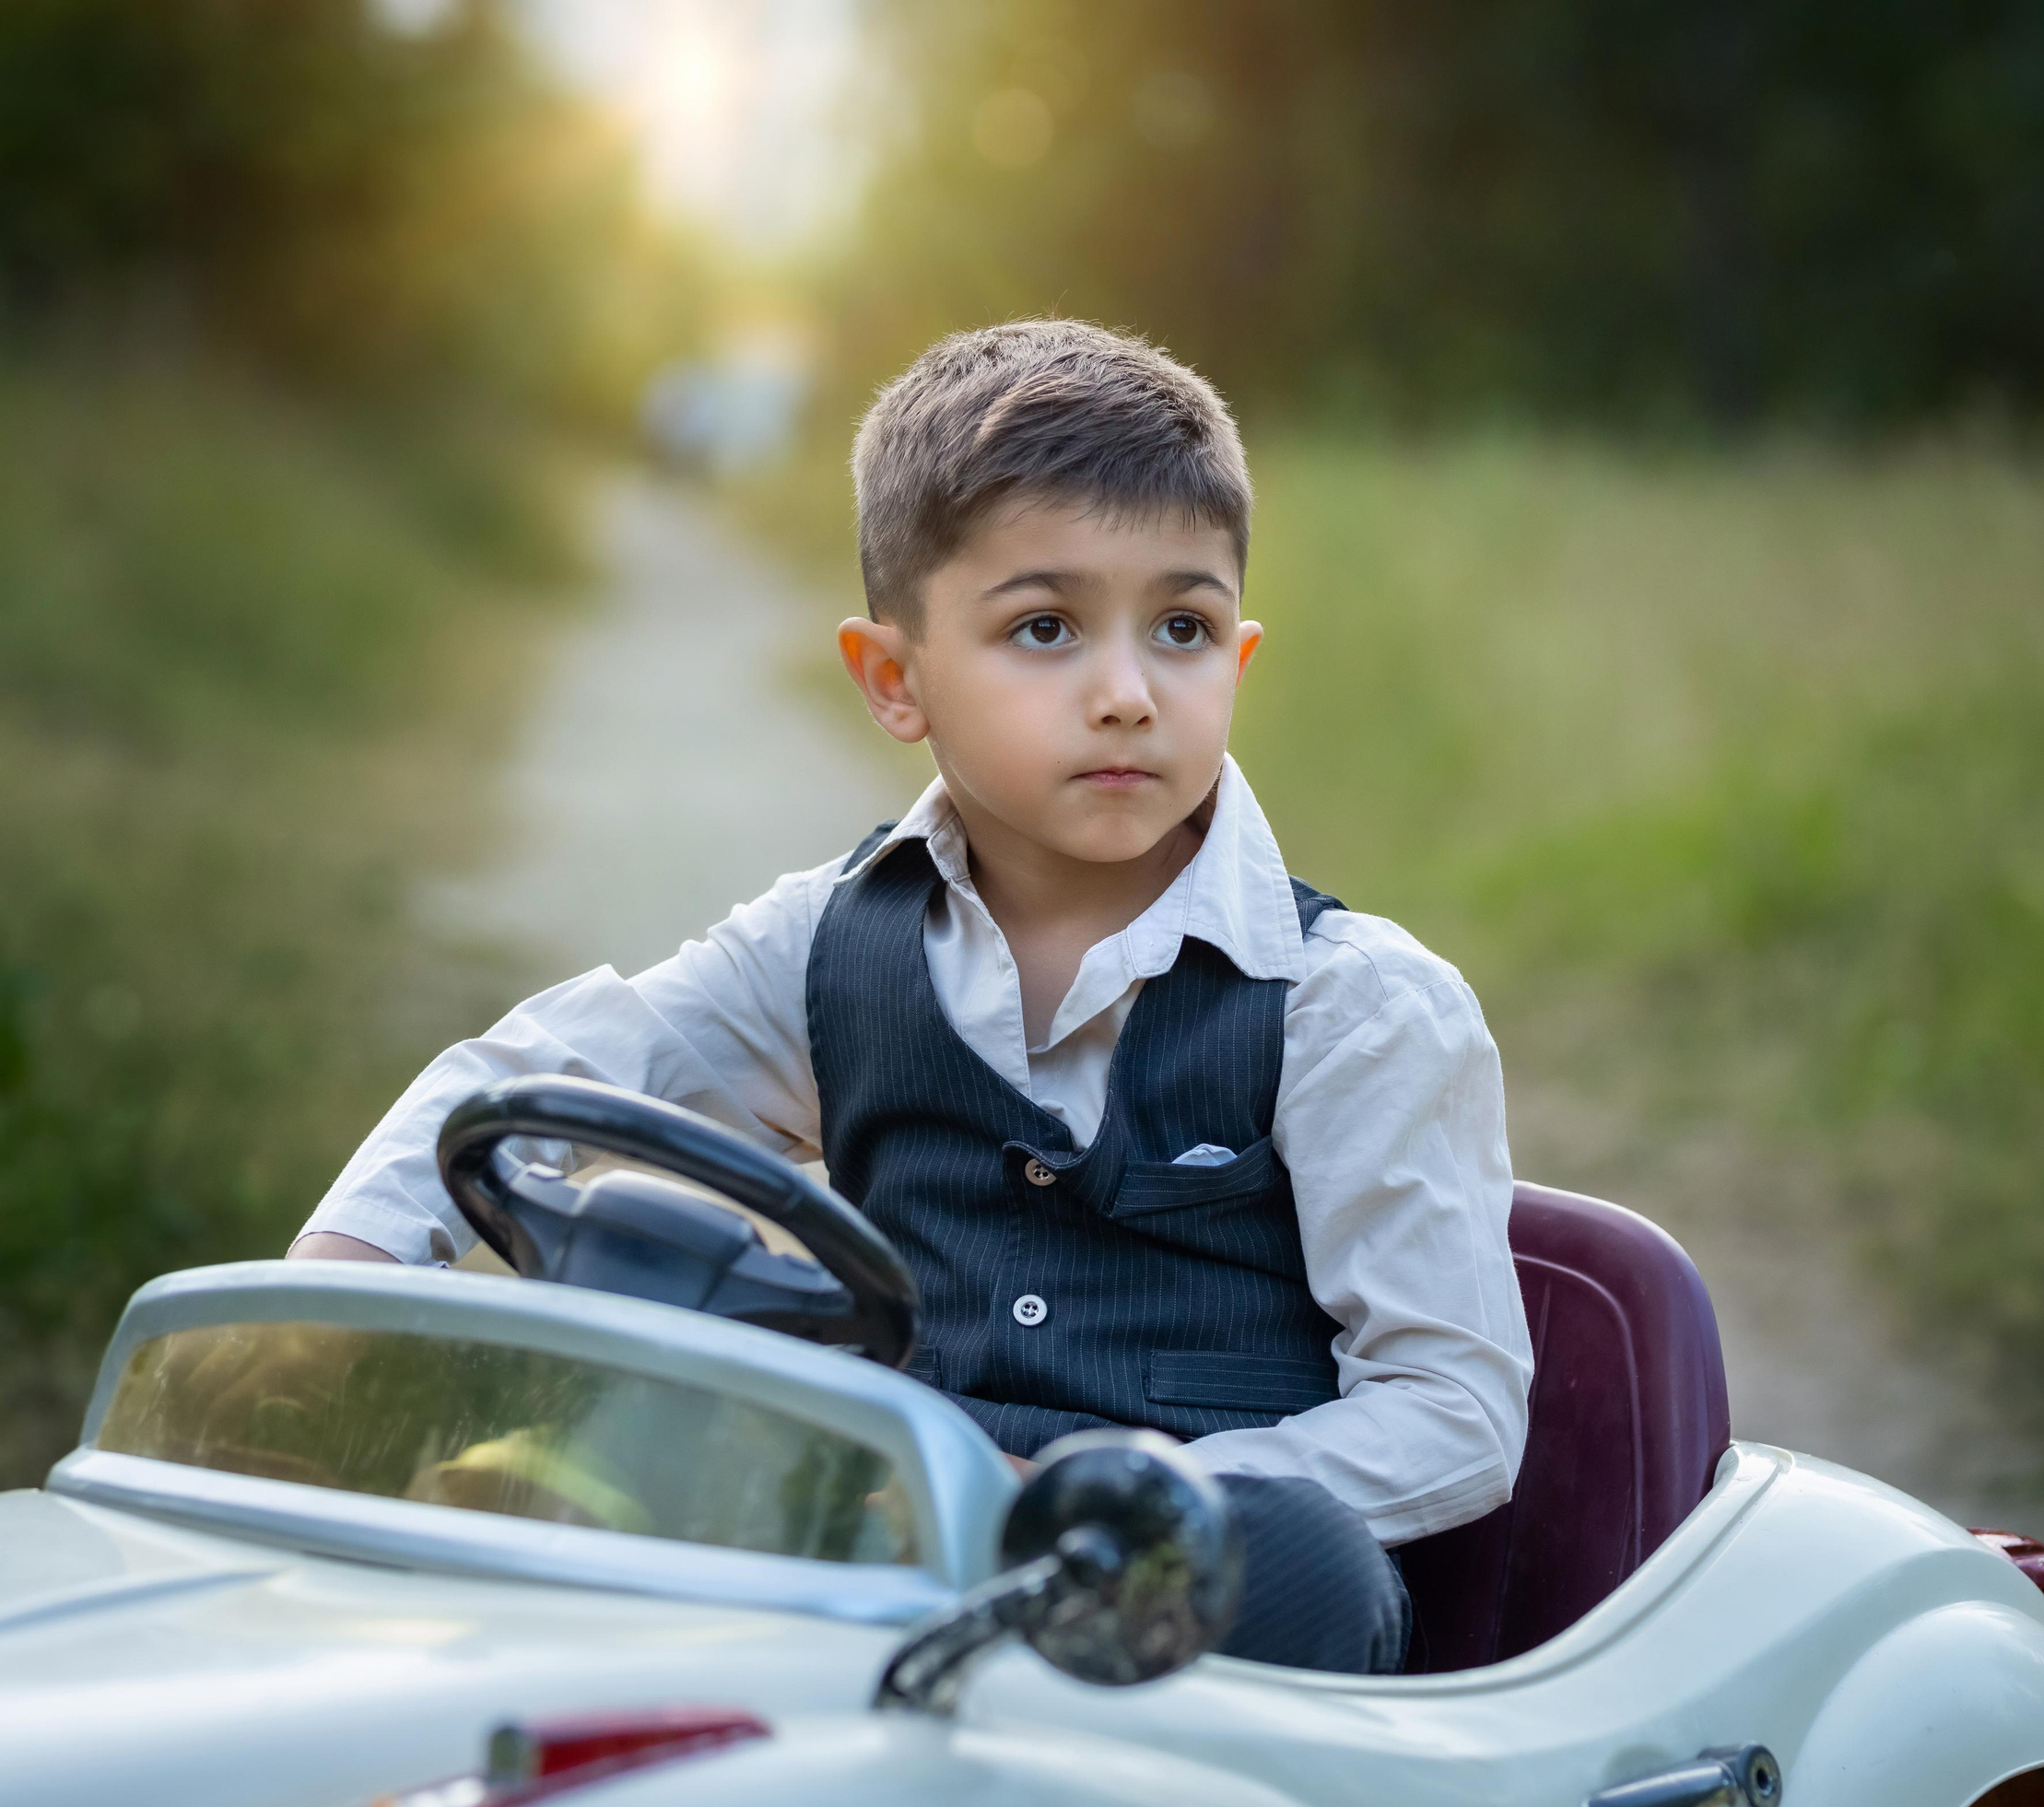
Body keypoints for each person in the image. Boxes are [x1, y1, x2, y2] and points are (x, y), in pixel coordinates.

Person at [291, 320, 1534, 1674]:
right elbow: (549, 1076)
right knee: (649, 1317)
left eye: (1180, 628)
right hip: (873, 1554)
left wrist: (1109, 1510)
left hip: (1172, 1616)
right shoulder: (834, 945)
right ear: (897, 679)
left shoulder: (1351, 1004)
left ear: (1234, 662)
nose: (1126, 695)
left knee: (1308, 1562)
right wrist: (332, 1290)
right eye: (1045, 629)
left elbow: (1450, 1406)